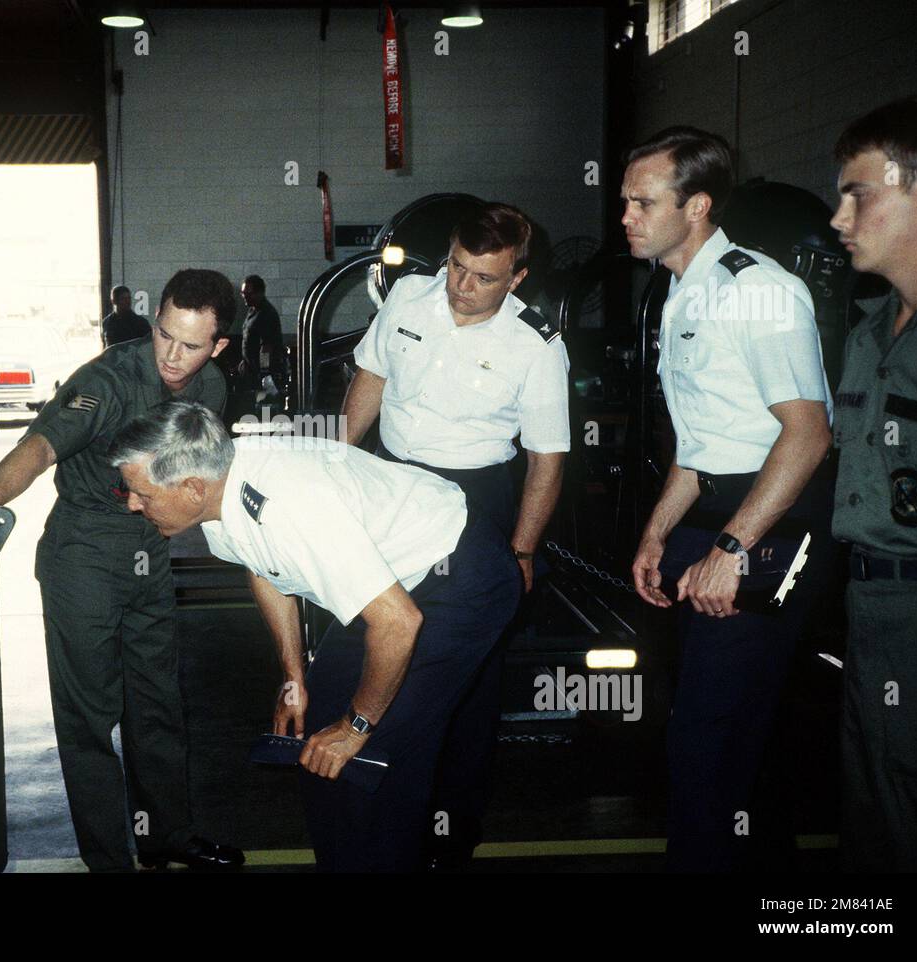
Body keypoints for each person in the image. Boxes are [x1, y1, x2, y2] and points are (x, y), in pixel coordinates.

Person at [107, 401, 520, 872]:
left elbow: (399, 624)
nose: (133, 502)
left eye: (140, 492)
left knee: (375, 759)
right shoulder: (221, 486)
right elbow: (262, 567)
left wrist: (356, 727)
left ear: (192, 487)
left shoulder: (292, 505)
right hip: (392, 585)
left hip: (459, 577)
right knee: (316, 739)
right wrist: (294, 676)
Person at [0, 269, 244, 872]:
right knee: (90, 717)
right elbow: (41, 446)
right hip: (85, 549)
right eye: (164, 337)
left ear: (219, 346)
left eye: (192, 345)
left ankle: (167, 840)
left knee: (158, 703)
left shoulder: (210, 389)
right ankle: (108, 860)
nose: (173, 356)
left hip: (149, 547)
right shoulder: (105, 379)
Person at [623, 127, 836, 871]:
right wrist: (657, 535)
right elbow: (700, 441)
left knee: (708, 737)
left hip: (768, 523)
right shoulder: (682, 291)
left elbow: (807, 437)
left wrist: (731, 551)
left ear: (699, 205)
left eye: (644, 202)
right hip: (711, 519)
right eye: (625, 201)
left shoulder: (761, 290)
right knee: (728, 731)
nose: (626, 216)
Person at [340, 201, 570, 868]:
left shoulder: (536, 347)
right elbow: (370, 380)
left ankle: (450, 836)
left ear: (517, 279)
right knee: (380, 643)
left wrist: (522, 551)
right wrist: (335, 459)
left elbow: (548, 460)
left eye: (482, 278)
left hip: (476, 501)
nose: (461, 287)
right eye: (456, 267)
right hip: (392, 484)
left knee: (464, 676)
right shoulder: (410, 296)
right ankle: (380, 807)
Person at [829, 96, 917, 872]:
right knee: (875, 817)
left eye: (858, 193)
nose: (840, 218)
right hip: (872, 610)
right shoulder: (868, 332)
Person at [238, 275, 287, 400]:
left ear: (260, 292)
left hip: (264, 373)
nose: (245, 296)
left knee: (266, 405)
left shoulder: (266, 314)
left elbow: (266, 346)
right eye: (243, 293)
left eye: (248, 293)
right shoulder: (253, 310)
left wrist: (265, 373)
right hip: (253, 370)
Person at [101, 284, 152, 349]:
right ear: (114, 301)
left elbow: (148, 347)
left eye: (129, 298)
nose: (127, 302)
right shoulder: (107, 323)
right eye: (123, 299)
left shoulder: (140, 323)